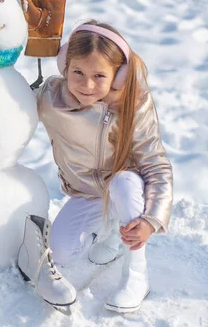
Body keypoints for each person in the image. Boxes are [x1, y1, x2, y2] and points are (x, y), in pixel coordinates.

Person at [36, 19, 173, 313]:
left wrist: (152, 219)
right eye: (78, 73)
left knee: (123, 184)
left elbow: (155, 164)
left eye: (99, 75)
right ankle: (110, 229)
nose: (87, 85)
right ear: (64, 66)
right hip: (87, 194)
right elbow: (13, 104)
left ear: (119, 75)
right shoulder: (51, 98)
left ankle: (137, 274)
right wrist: (33, 45)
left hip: (126, 188)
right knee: (60, 252)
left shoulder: (133, 104)